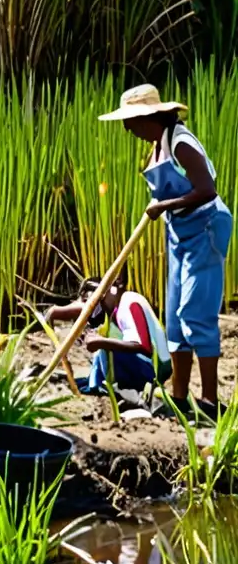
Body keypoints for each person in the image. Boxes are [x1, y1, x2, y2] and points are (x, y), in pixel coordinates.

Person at [100, 85, 232, 417]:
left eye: (131, 122)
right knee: (174, 320)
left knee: (195, 316)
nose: (128, 130)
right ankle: (179, 397)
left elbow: (206, 190)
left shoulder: (181, 143)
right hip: (179, 232)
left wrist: (165, 205)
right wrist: (165, 208)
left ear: (149, 117)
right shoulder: (158, 144)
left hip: (205, 228)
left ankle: (210, 403)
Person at [46, 276, 172, 396]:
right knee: (104, 347)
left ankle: (97, 386)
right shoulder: (116, 314)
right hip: (147, 365)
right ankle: (92, 382)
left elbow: (143, 346)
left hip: (155, 369)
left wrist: (101, 342)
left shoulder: (129, 301)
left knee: (106, 347)